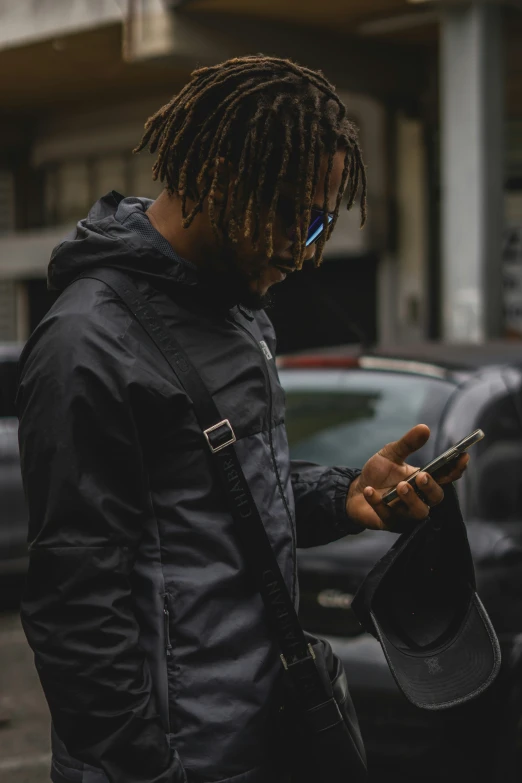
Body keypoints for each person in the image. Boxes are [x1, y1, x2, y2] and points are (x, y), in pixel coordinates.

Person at [15, 55, 468, 783]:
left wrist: (345, 495)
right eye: (291, 211)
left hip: (263, 740)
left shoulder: (240, 316)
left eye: (318, 218)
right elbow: (76, 604)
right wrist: (144, 768)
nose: (304, 246)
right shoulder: (88, 343)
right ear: (219, 175)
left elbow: (221, 497)